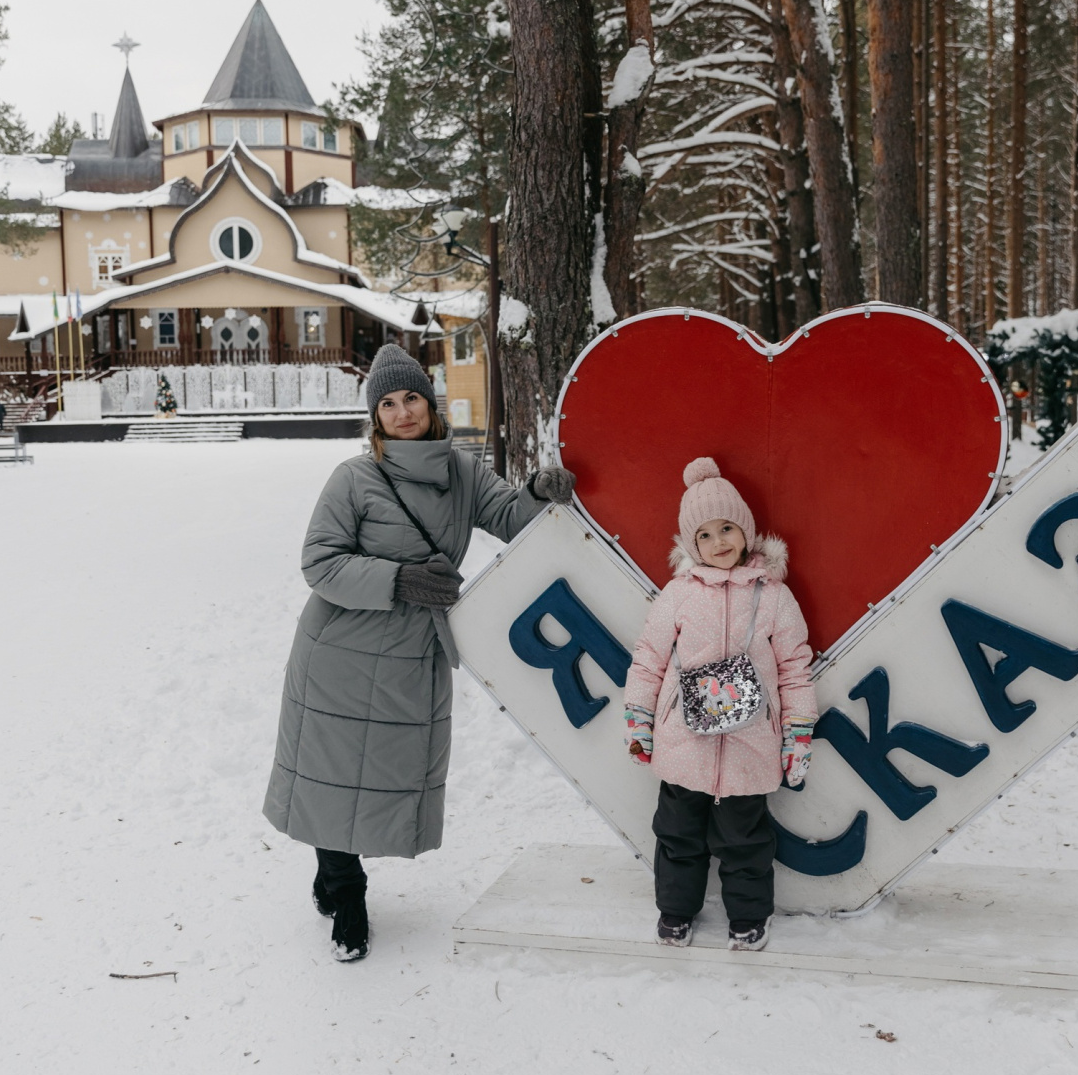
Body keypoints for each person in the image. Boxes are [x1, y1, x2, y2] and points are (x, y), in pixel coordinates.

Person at [262, 343, 575, 961]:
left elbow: (512, 517)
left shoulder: (461, 472)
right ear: (375, 417)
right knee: (332, 774)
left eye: (411, 399)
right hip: (341, 651)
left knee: (376, 776)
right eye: (388, 403)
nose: (403, 412)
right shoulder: (353, 478)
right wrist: (397, 581)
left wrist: (539, 489)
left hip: (413, 653)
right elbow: (319, 563)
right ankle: (347, 893)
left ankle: (333, 873)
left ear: (430, 405)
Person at [622, 458, 817, 952]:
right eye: (705, 535)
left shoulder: (773, 596)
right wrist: (640, 719)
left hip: (751, 742)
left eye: (727, 528)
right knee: (677, 834)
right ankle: (675, 911)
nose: (719, 542)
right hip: (683, 739)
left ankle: (749, 917)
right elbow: (649, 660)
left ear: (746, 531)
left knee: (745, 841)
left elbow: (794, 666)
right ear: (691, 545)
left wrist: (797, 733)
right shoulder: (677, 595)